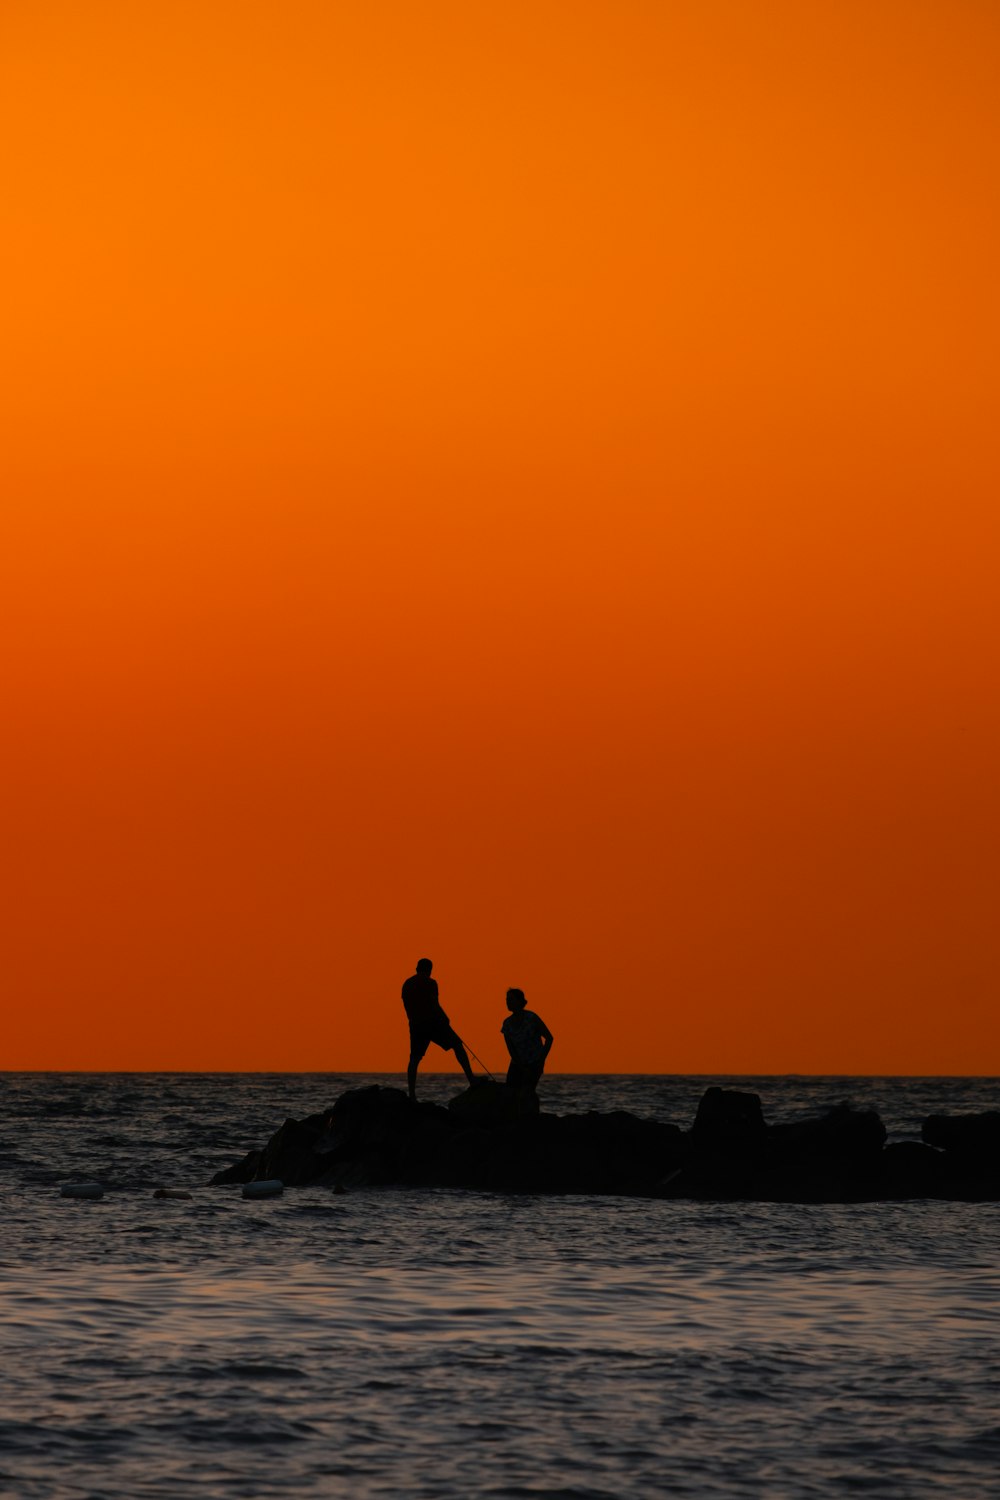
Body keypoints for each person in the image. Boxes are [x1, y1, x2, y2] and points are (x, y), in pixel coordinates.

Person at [402, 958, 476, 1101]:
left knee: (414, 1058)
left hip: (415, 1025)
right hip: (433, 1023)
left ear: (417, 968)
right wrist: (445, 1018)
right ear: (429, 969)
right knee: (457, 1045)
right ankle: (471, 1079)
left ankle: (412, 1094)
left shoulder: (407, 984)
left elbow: (406, 1006)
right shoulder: (431, 983)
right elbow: (434, 1004)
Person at [501, 987, 553, 1096]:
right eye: (507, 999)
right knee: (510, 1093)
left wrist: (541, 1060)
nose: (508, 1002)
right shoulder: (507, 1024)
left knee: (527, 1093)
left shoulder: (532, 1018)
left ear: (520, 1001)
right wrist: (520, 1065)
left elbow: (549, 1038)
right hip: (517, 1064)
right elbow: (510, 1049)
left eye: (511, 999)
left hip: (534, 1063)